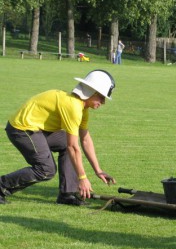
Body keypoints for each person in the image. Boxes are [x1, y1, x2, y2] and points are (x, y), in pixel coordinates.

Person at [0, 70, 116, 206]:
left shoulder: (82, 108)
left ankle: (67, 195)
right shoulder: (73, 106)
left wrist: (98, 170)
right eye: (101, 97)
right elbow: (73, 147)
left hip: (40, 130)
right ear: (91, 92)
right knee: (46, 170)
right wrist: (82, 178)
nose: (103, 102)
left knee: (66, 146)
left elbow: (85, 139)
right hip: (22, 129)